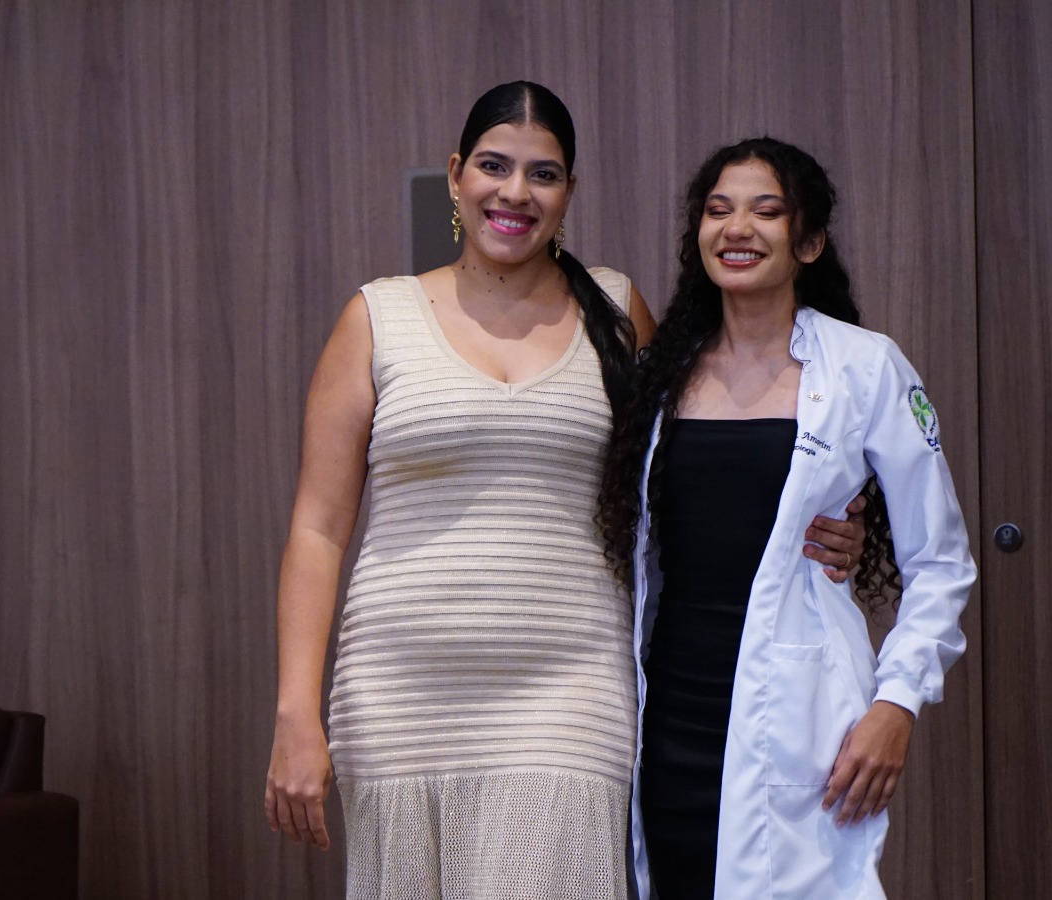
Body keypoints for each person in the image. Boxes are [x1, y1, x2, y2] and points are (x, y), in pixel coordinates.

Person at [264, 84, 867, 899]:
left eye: (542, 174)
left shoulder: (616, 312)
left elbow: (690, 485)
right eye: (493, 166)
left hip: (570, 692)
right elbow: (318, 528)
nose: (515, 192)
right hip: (399, 695)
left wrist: (820, 527)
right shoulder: (377, 318)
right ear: (456, 174)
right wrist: (296, 711)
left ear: (569, 192)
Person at [598, 137, 977, 899]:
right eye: (718, 210)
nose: (737, 228)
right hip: (671, 711)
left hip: (802, 717)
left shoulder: (864, 367)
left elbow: (940, 562)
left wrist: (896, 705)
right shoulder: (660, 374)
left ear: (808, 241)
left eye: (765, 211)